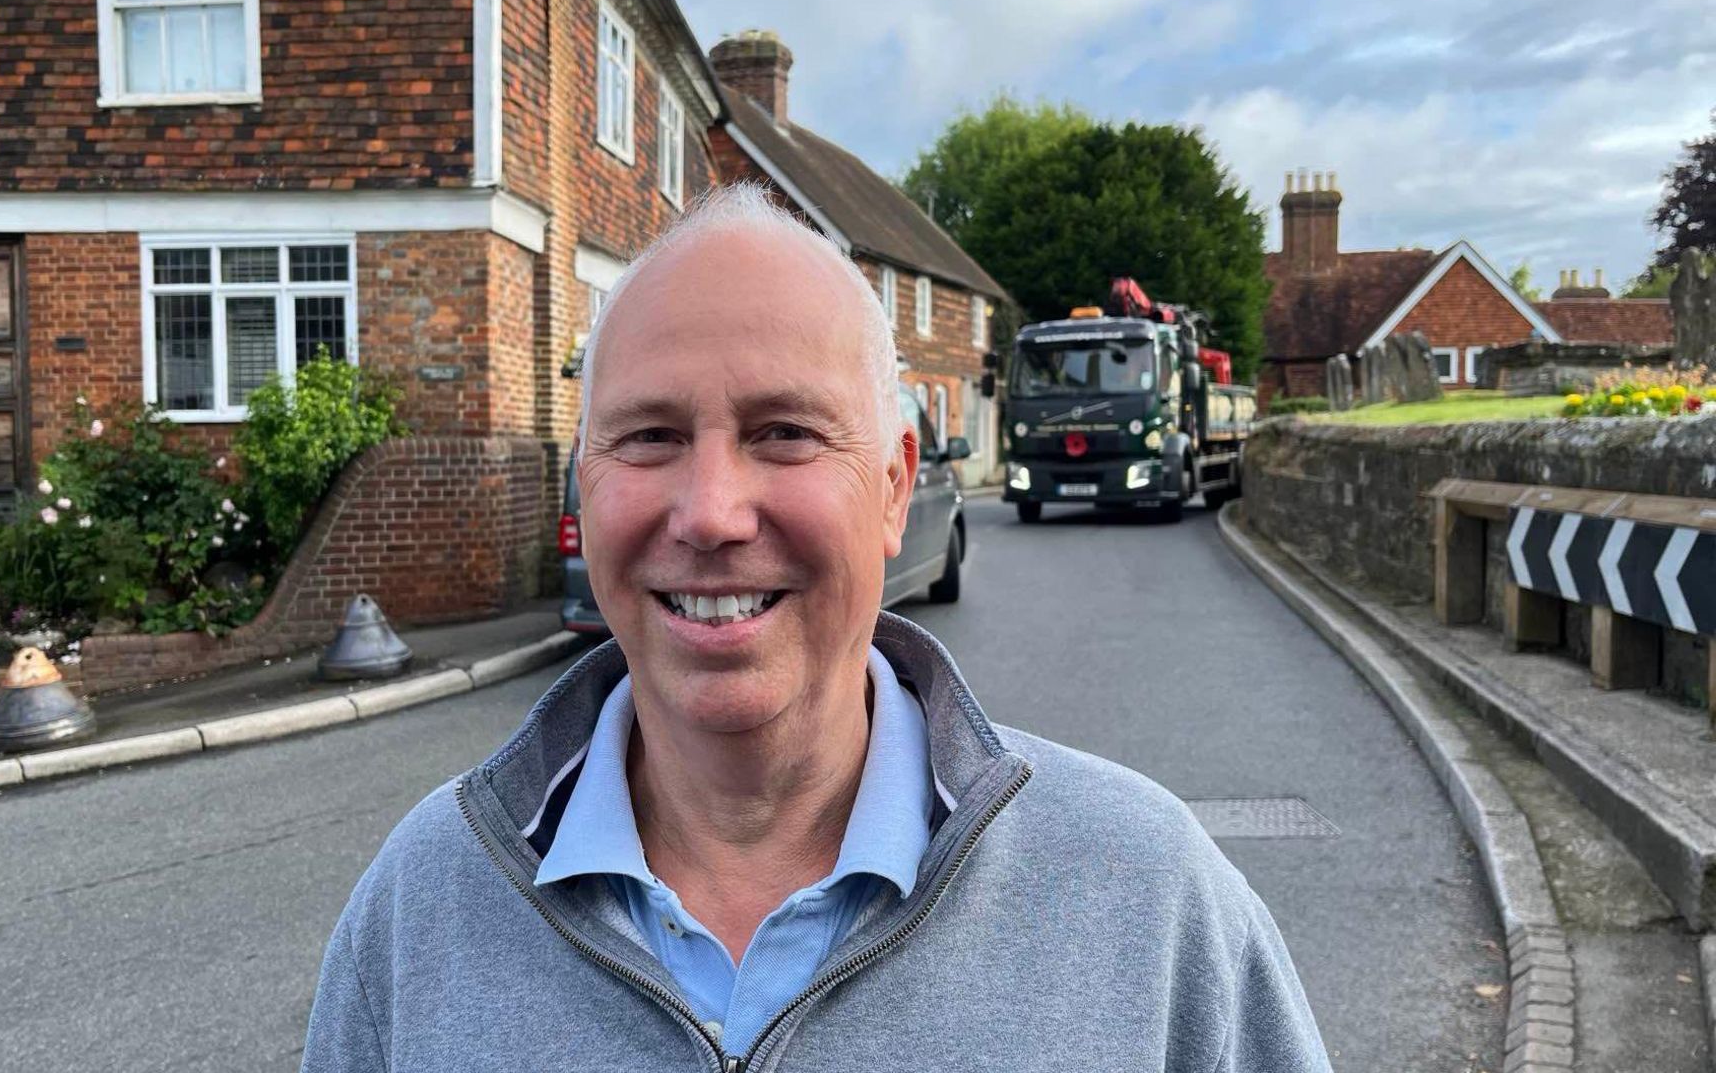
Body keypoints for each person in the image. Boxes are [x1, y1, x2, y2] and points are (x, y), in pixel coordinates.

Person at [300, 183, 1331, 1072]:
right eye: (649, 436)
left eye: (783, 434)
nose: (708, 511)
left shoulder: (1145, 897)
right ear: (585, 483)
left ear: (891, 489)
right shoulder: (421, 903)